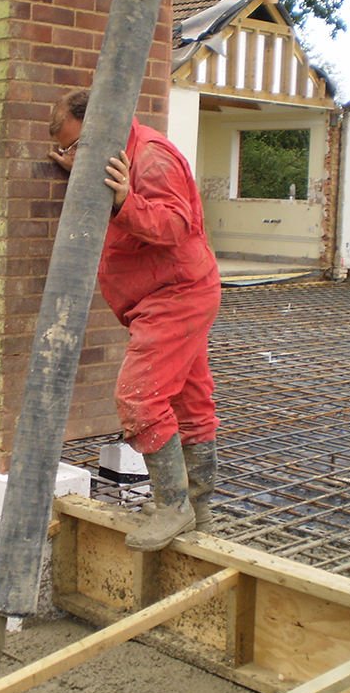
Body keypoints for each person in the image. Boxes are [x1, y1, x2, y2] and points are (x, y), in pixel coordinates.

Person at [49, 89, 221, 552]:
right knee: (189, 399)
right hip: (168, 293)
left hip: (177, 293)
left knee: (139, 397)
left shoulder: (150, 157)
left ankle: (173, 505)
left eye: (75, 146)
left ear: (99, 126)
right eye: (68, 150)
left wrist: (125, 199)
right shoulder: (116, 153)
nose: (72, 155)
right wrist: (81, 168)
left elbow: (174, 225)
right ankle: (197, 506)